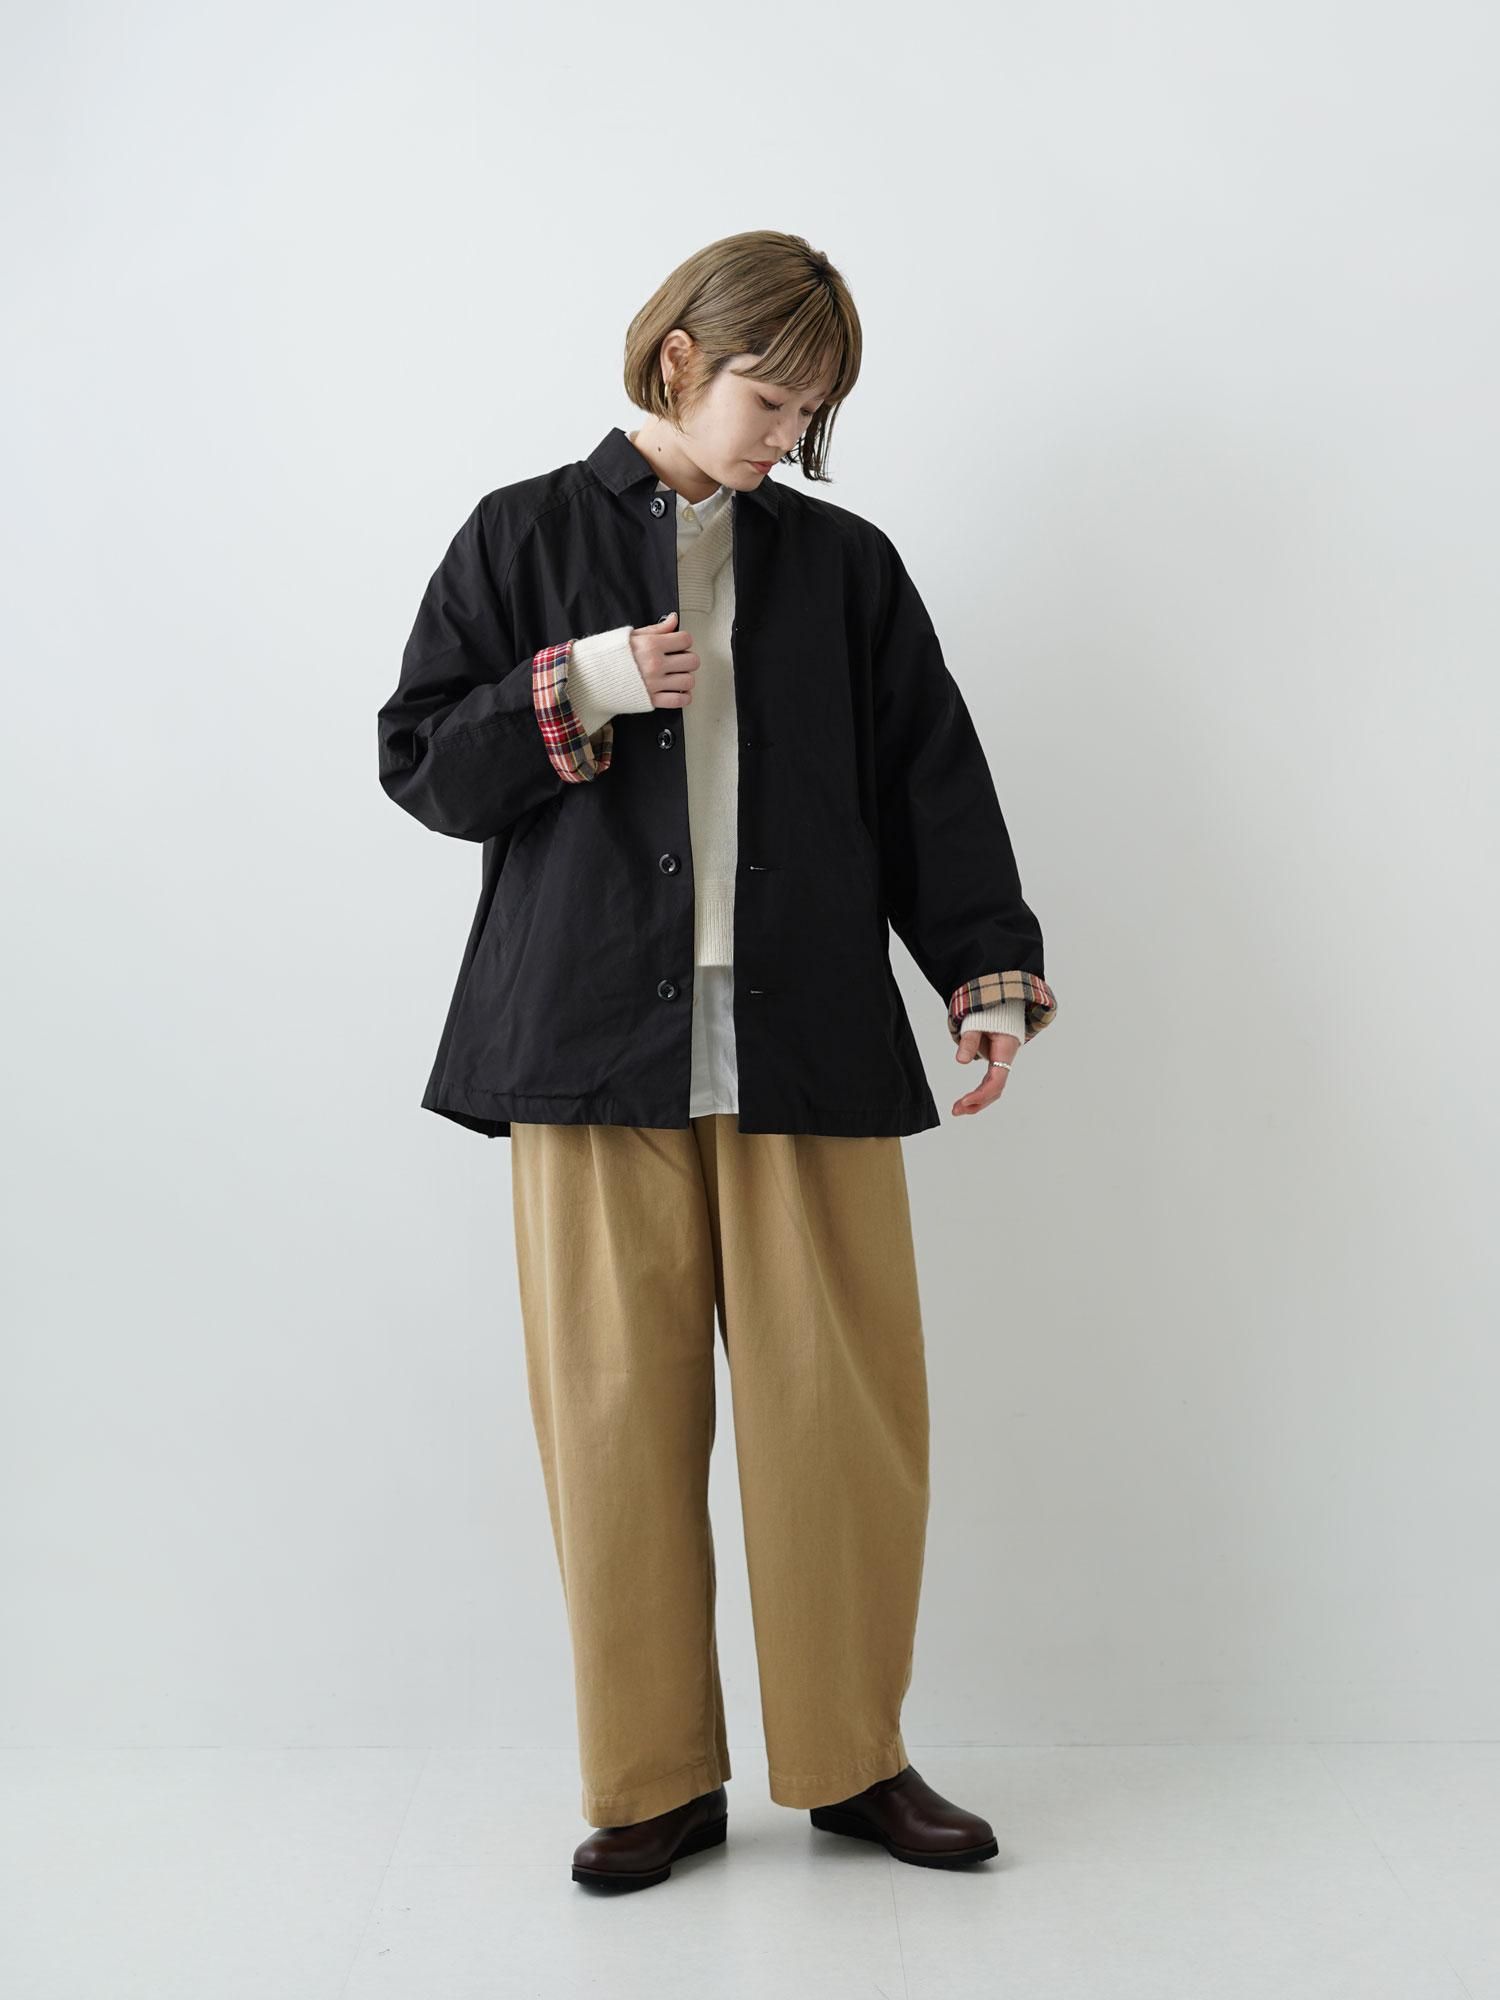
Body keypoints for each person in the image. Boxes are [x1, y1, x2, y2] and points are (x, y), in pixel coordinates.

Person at [377, 230, 1057, 1893]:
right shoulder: (521, 536)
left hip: (804, 1040)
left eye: (815, 412)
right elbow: (423, 763)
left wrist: (981, 971)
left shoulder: (844, 569)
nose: (788, 436)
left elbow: (928, 778)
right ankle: (653, 1781)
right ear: (680, 356)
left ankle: (852, 1758)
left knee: (841, 1418)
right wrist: (581, 685)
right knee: (614, 1419)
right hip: (589, 1046)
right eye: (772, 398)